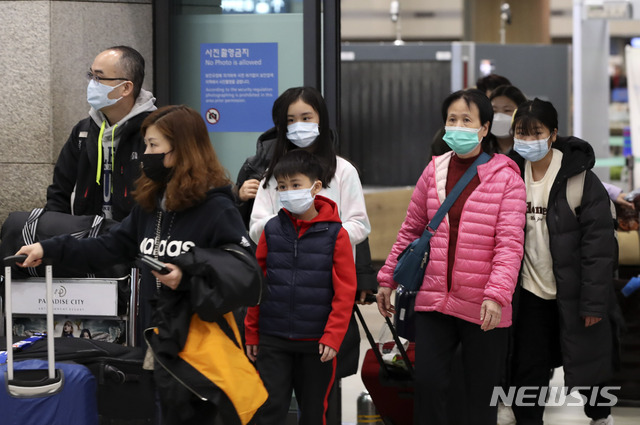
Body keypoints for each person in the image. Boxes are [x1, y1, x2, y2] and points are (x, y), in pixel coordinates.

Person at [17, 105, 267, 425]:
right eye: (146, 144)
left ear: (182, 151)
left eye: (153, 146)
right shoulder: (151, 205)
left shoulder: (215, 206)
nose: (145, 153)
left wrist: (187, 275)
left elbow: (245, 271)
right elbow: (109, 245)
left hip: (201, 349)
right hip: (159, 342)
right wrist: (48, 248)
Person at [376, 88, 527, 425]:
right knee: (428, 386)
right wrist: (387, 278)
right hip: (434, 300)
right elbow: (411, 229)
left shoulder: (507, 178)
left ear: (485, 128)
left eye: (466, 120)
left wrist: (497, 295)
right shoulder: (434, 171)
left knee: (479, 395)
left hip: (483, 303)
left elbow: (509, 244)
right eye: (452, 119)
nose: (457, 126)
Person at [508, 98, 618, 425]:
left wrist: (594, 304)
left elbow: (598, 248)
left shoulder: (580, 179)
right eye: (521, 133)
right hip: (528, 291)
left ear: (553, 134)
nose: (528, 140)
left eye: (536, 132)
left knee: (588, 363)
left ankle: (600, 416)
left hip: (573, 293)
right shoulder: (508, 173)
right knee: (527, 368)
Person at [244, 149, 357, 425]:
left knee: (315, 414)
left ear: (316, 187)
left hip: (316, 344)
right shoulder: (271, 230)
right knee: (269, 410)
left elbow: (345, 292)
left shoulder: (336, 234)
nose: (288, 191)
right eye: (282, 187)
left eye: (296, 185)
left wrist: (332, 336)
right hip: (273, 340)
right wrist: (252, 332)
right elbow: (256, 285)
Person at [46, 45, 157, 221]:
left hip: (134, 242)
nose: (92, 84)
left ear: (126, 88)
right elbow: (59, 194)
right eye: (91, 76)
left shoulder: (155, 132)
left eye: (99, 77)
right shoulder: (83, 131)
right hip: (84, 240)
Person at [488, 84, 527, 154]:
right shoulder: (482, 149)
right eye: (494, 111)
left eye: (507, 110)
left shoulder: (530, 149)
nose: (499, 117)